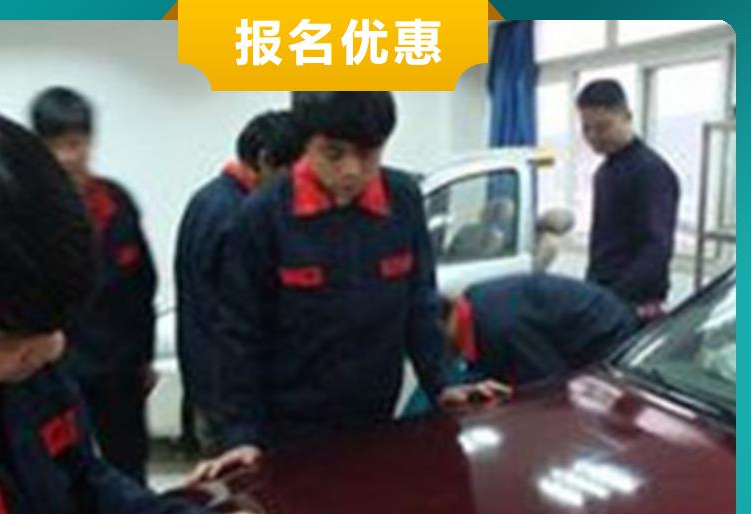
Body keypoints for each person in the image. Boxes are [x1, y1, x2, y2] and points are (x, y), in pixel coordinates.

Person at [0, 109, 271, 514]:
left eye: (58, 324)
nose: (53, 349)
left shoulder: (31, 360)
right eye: (8, 339)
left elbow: (82, 484)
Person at [192, 92, 459, 482]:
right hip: (289, 428)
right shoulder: (262, 215)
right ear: (306, 144)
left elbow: (420, 303)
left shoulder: (403, 200)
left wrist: (443, 383)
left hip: (375, 417)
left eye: (367, 154)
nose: (352, 170)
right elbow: (240, 333)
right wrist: (241, 434)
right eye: (333, 154)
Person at [31, 87, 157, 482]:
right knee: (61, 473)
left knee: (129, 464)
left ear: (89, 141)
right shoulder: (27, 210)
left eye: (75, 143)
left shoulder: (117, 203)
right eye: (55, 146)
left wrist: (144, 357)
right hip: (56, 368)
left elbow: (142, 287)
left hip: (119, 367)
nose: (67, 156)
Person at [174, 110, 303, 456]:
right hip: (229, 391)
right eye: (293, 171)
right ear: (265, 161)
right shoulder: (241, 217)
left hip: (205, 379)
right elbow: (239, 316)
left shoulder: (206, 198)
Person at [577, 79, 680, 320]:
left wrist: (614, 299)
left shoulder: (651, 171)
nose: (593, 136)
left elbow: (657, 248)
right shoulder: (605, 172)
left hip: (634, 303)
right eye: (586, 128)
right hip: (603, 294)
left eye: (602, 127)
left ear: (627, 116)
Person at [441, 273, 639, 389]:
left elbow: (546, 381)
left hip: (607, 331)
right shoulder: (474, 302)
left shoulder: (499, 326)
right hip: (588, 324)